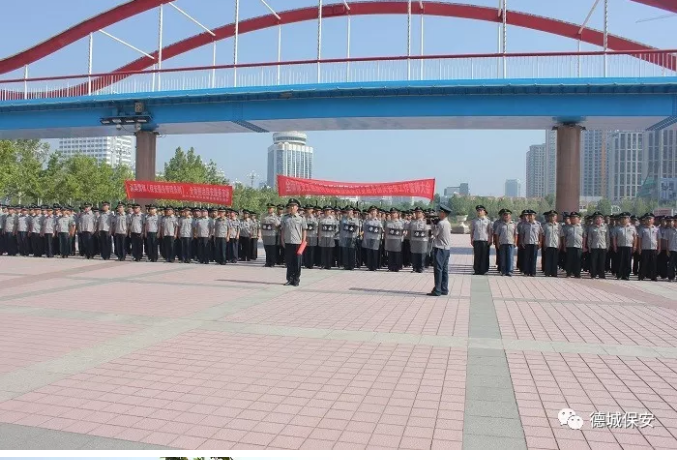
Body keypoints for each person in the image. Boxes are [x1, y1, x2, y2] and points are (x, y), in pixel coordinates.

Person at [280, 199, 307, 286]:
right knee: (289, 262)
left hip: (298, 243)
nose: (291, 208)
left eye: (293, 206)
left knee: (297, 262)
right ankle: (290, 279)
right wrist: (282, 240)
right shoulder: (285, 218)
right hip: (288, 242)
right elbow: (282, 230)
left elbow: (304, 230)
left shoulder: (301, 218)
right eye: (290, 206)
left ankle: (296, 279)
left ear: (297, 207)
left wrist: (303, 242)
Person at [428, 204, 452, 296]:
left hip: (440, 248)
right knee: (444, 270)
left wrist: (433, 225)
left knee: (438, 269)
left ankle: (437, 290)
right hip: (446, 249)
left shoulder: (441, 223)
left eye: (440, 212)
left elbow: (434, 233)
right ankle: (444, 289)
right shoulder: (447, 223)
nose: (438, 213)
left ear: (443, 213)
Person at [584, 211, 609, 279]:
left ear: (602, 219)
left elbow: (607, 238)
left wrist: (607, 246)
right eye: (596, 218)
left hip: (603, 247)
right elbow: (589, 238)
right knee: (593, 262)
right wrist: (589, 247)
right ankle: (593, 275)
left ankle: (601, 275)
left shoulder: (605, 227)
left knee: (602, 262)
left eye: (599, 218)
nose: (598, 219)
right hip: (594, 246)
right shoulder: (591, 227)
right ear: (594, 219)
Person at [612, 212, 636, 281]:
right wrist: (615, 246)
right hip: (620, 246)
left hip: (629, 246)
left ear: (629, 219)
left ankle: (626, 275)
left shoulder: (632, 227)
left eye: (626, 218)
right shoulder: (617, 228)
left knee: (628, 261)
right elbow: (614, 237)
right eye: (622, 218)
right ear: (620, 219)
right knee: (620, 261)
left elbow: (635, 237)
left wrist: (634, 246)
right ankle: (619, 275)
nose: (624, 219)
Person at [494, 209, 518, 276]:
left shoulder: (513, 224)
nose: (506, 216)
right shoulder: (500, 225)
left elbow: (516, 234)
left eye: (507, 215)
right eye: (505, 215)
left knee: (510, 258)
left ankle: (510, 271)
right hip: (502, 243)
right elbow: (497, 235)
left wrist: (515, 242)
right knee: (503, 258)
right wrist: (497, 243)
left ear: (510, 216)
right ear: (503, 216)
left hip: (510, 243)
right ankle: (503, 271)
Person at [470, 205, 492, 275]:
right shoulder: (474, 221)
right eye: (478, 211)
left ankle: (483, 270)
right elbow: (472, 231)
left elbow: (490, 231)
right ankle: (477, 270)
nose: (479, 212)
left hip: (485, 240)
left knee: (484, 256)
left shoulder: (488, 221)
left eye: (481, 210)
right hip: (477, 240)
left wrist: (490, 239)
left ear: (484, 212)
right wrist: (471, 239)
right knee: (477, 256)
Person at [561, 212, 585, 278]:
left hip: (579, 246)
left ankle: (577, 274)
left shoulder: (582, 227)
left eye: (575, 217)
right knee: (569, 260)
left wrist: (583, 246)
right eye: (572, 217)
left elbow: (584, 237)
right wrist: (564, 246)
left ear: (578, 219)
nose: (573, 219)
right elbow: (564, 238)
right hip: (569, 246)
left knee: (578, 261)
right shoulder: (567, 227)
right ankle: (568, 273)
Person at [637, 213, 659, 281]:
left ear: (653, 220)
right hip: (645, 249)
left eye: (650, 219)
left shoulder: (656, 229)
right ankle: (641, 276)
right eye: (647, 219)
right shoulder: (642, 229)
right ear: (645, 220)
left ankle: (653, 276)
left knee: (653, 263)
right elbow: (640, 239)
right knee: (643, 263)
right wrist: (639, 248)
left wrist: (659, 247)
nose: (649, 220)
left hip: (653, 248)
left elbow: (658, 239)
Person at [520, 210, 542, 277]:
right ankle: (526, 272)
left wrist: (540, 242)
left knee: (533, 259)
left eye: (531, 215)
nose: (530, 217)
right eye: (529, 215)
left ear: (534, 216)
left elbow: (540, 234)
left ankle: (533, 272)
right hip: (527, 243)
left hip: (535, 243)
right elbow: (522, 234)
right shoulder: (524, 225)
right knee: (526, 258)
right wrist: (522, 242)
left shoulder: (538, 224)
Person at [408, 207, 429, 274]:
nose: (418, 214)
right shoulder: (412, 222)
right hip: (414, 240)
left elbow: (429, 231)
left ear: (422, 214)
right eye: (416, 212)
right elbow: (409, 231)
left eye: (419, 213)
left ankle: (421, 267)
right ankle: (414, 267)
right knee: (414, 254)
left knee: (422, 254)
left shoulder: (426, 222)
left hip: (422, 240)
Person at [362, 206, 383, 271]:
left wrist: (379, 238)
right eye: (372, 211)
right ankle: (369, 266)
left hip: (375, 239)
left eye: (374, 211)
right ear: (370, 212)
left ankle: (374, 266)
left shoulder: (378, 221)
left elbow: (381, 230)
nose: (373, 213)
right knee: (369, 252)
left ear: (376, 213)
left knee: (374, 252)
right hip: (368, 238)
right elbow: (364, 230)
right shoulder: (367, 221)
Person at [541, 210, 560, 277]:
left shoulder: (558, 226)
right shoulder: (545, 226)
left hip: (556, 245)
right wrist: (543, 244)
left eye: (553, 216)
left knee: (555, 260)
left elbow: (561, 236)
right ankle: (547, 272)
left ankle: (554, 273)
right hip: (548, 244)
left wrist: (560, 244)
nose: (552, 217)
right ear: (549, 217)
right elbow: (543, 236)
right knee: (548, 260)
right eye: (551, 216)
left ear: (556, 217)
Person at [666, 215, 677, 282]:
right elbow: (667, 241)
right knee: (671, 264)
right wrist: (667, 250)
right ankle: (671, 277)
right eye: (674, 220)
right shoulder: (669, 230)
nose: (675, 222)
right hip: (672, 249)